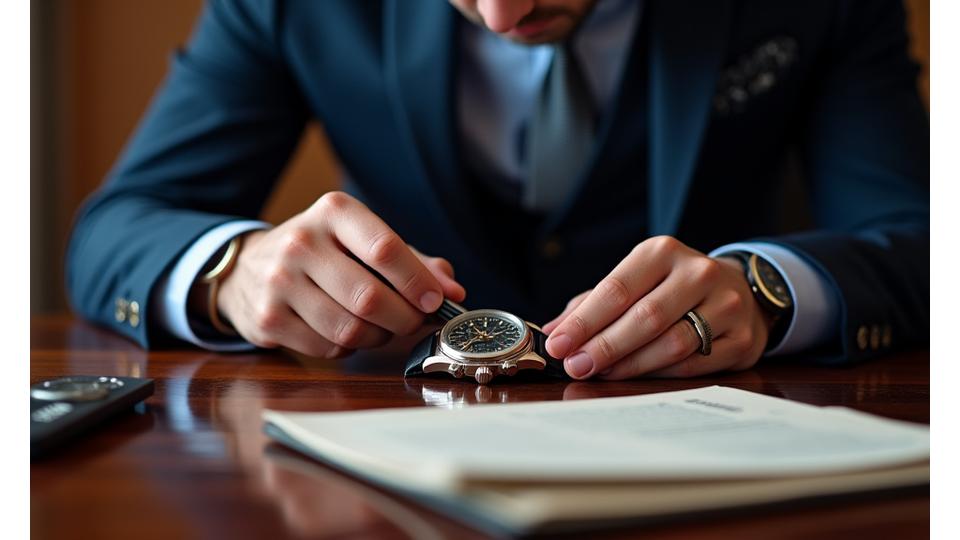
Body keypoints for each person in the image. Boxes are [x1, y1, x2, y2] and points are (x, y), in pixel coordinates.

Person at [66, 0, 929, 380]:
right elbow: (116, 228)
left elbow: (919, 236)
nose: (501, 13)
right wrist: (232, 268)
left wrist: (768, 292)